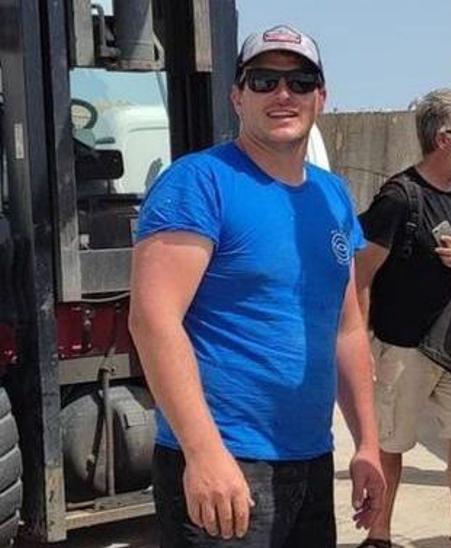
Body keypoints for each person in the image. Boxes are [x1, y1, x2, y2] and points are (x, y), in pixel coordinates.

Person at [129, 24, 385, 546]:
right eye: (264, 80)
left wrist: (367, 445)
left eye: (300, 80)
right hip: (227, 465)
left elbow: (346, 329)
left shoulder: (332, 196)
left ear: (321, 96)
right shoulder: (199, 182)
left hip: (311, 460)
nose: (283, 94)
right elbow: (154, 321)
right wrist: (203, 454)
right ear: (237, 95)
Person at [353, 89, 451, 548]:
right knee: (391, 445)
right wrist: (360, 344)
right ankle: (378, 535)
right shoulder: (399, 198)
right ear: (441, 138)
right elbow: (361, 273)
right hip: (403, 346)